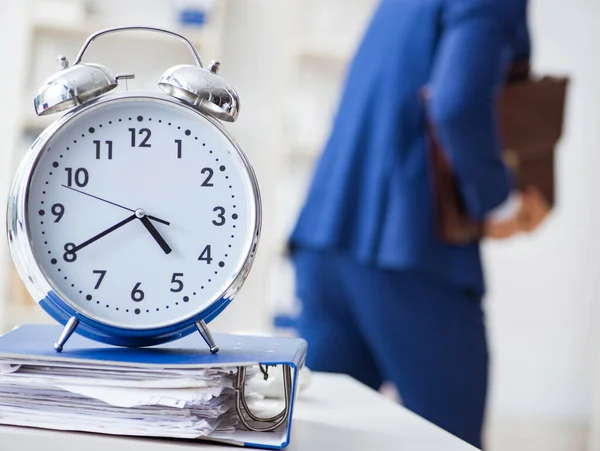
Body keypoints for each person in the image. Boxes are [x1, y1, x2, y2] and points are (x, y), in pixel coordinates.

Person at [288, 0, 548, 448]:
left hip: (326, 235)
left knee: (321, 439)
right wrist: (499, 204)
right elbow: (457, 103)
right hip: (411, 250)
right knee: (451, 442)